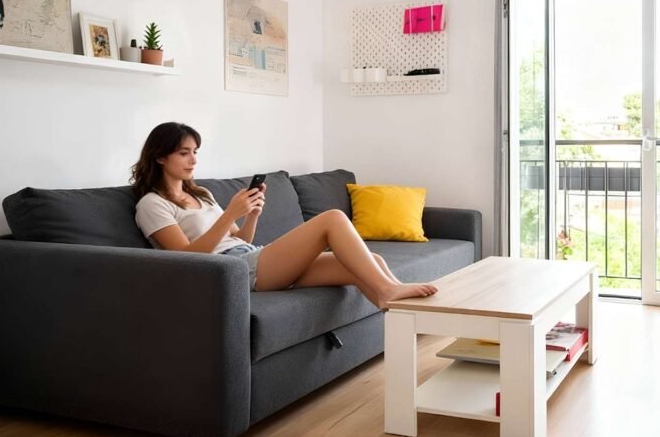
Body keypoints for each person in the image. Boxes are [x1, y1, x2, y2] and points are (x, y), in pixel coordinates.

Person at [130, 122, 437, 307]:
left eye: (195, 151)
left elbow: (240, 239)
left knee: (375, 262)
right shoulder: (152, 205)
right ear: (159, 156)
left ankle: (394, 313)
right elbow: (185, 260)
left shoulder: (201, 194)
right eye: (184, 152)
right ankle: (388, 290)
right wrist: (230, 214)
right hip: (233, 272)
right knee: (332, 219)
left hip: (251, 255)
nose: (193, 159)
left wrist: (250, 215)